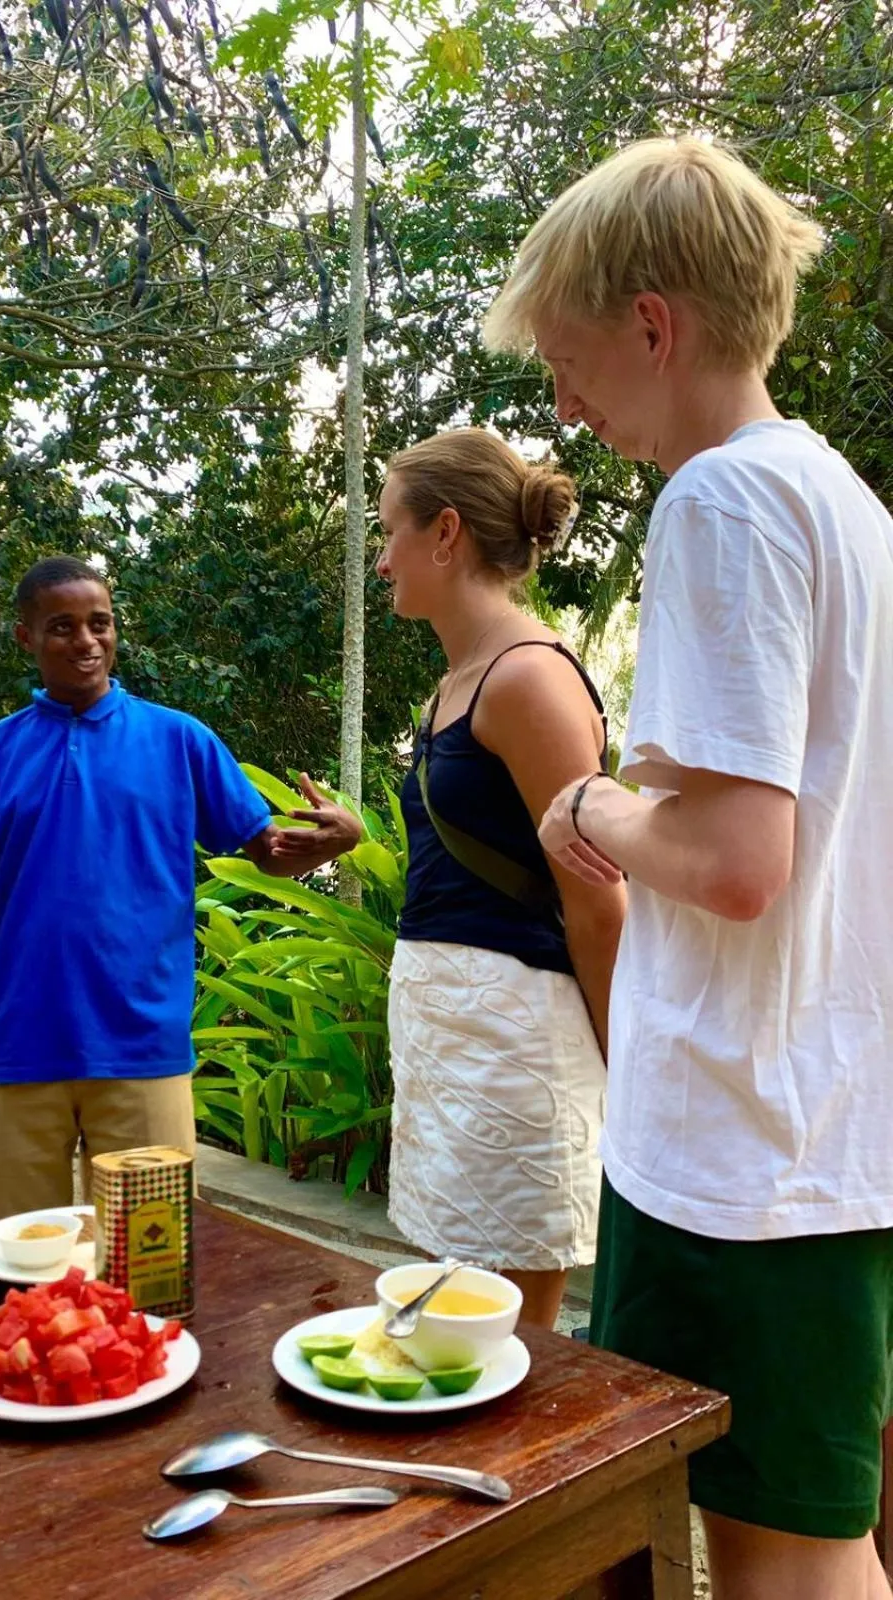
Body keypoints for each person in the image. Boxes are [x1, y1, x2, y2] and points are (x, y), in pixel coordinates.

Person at [484, 137, 893, 1600]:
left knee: (783, 1550)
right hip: (818, 1132)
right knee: (811, 1523)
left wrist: (589, 809)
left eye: (571, 359)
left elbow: (732, 862)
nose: (566, 402)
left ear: (653, 324)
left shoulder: (720, 500)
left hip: (742, 1150)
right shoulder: (844, 503)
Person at [0, 557, 361, 1223]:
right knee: (21, 1276)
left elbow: (270, 850)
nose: (86, 641)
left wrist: (335, 840)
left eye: (99, 623)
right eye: (63, 626)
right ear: (26, 637)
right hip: (19, 1047)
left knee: (151, 1270)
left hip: (142, 1049)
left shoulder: (179, 740)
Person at [375, 428, 627, 1329]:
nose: (382, 558)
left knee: (512, 1342)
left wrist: (620, 1061)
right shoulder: (456, 683)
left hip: (517, 1043)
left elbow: (598, 897)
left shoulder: (527, 682)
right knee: (449, 1327)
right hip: (451, 1036)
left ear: (445, 533)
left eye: (389, 531)